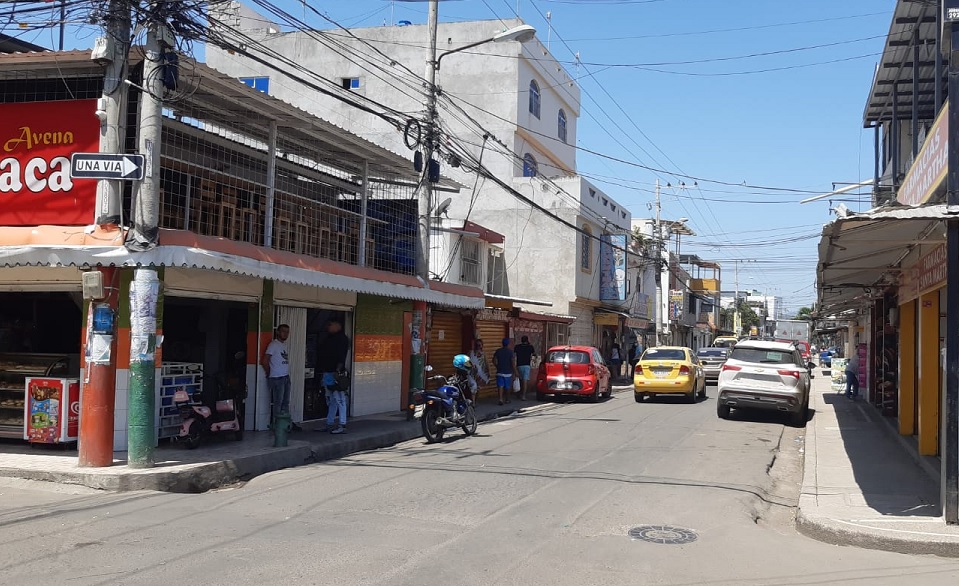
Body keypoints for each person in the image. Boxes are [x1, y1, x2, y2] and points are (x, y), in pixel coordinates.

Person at [318, 320, 351, 434]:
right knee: (330, 399)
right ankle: (329, 423)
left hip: (335, 372)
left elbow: (342, 355)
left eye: (330, 325)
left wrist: (338, 370)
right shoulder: (329, 338)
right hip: (327, 372)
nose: (328, 327)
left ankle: (342, 424)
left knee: (340, 399)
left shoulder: (342, 339)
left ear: (337, 326)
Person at [261, 324, 291, 423]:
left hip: (285, 377)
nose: (285, 334)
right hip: (277, 378)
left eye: (287, 332)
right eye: (283, 331)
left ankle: (285, 423)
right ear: (278, 332)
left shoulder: (284, 345)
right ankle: (277, 424)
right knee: (278, 402)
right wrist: (269, 373)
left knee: (285, 402)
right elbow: (265, 360)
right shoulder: (273, 344)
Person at [493, 337, 517, 406]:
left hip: (499, 371)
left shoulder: (498, 351)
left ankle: (500, 399)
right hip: (508, 372)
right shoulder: (510, 352)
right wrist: (515, 372)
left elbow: (494, 360)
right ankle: (507, 399)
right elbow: (512, 363)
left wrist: (497, 366)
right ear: (508, 344)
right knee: (507, 387)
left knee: (500, 386)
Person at [513, 335, 536, 401]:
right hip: (526, 365)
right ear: (527, 340)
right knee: (525, 381)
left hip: (519, 365)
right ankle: (523, 396)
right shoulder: (530, 347)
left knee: (520, 380)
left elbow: (514, 356)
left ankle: (519, 394)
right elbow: (534, 354)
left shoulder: (517, 347)